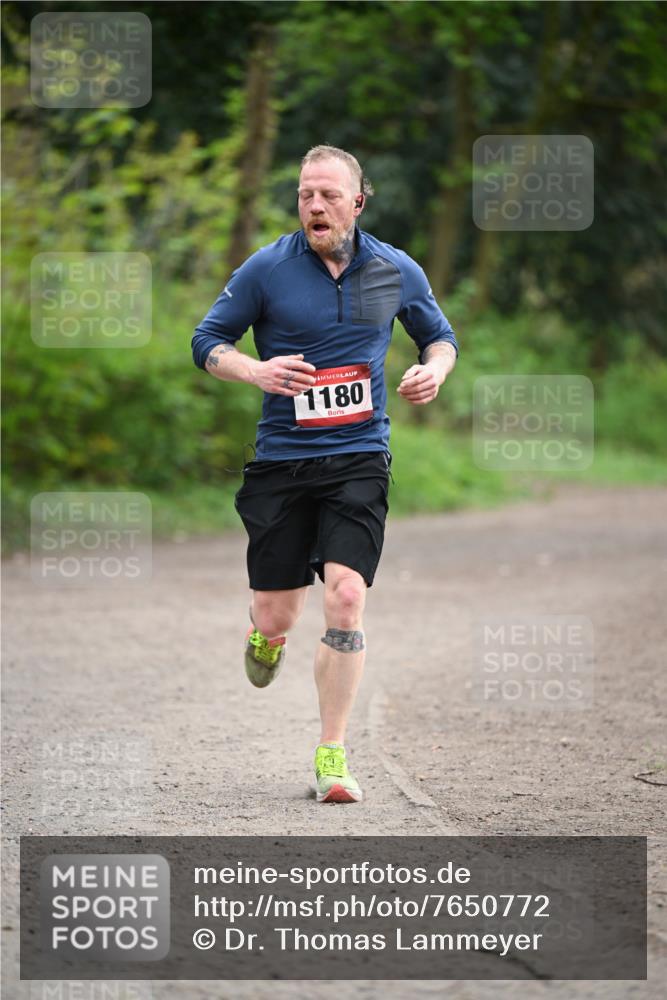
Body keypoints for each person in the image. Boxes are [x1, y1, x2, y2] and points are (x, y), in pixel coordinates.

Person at [192, 144, 458, 803]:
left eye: (328, 195)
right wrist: (253, 369)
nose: (314, 204)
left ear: (357, 202)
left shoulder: (394, 270)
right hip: (282, 462)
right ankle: (266, 633)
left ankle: (332, 754)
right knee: (277, 611)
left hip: (360, 457)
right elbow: (207, 342)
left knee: (345, 596)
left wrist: (434, 369)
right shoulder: (266, 270)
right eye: (306, 194)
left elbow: (440, 337)